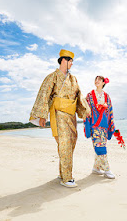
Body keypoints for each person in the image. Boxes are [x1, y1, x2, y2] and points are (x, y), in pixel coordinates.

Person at [29, 49, 91, 188]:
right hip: (58, 113)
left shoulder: (73, 78)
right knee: (64, 144)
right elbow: (44, 95)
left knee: (72, 142)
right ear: (64, 60)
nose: (72, 64)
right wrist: (42, 116)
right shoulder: (52, 77)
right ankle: (67, 178)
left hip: (71, 114)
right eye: (70, 61)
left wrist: (86, 110)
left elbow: (79, 95)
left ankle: (62, 173)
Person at [84, 76, 116, 179]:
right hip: (95, 125)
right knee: (101, 148)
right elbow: (85, 108)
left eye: (99, 80)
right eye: (95, 79)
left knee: (100, 147)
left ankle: (96, 168)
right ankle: (107, 170)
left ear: (103, 83)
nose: (97, 81)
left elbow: (110, 111)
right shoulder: (89, 96)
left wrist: (111, 124)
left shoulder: (107, 96)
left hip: (104, 126)